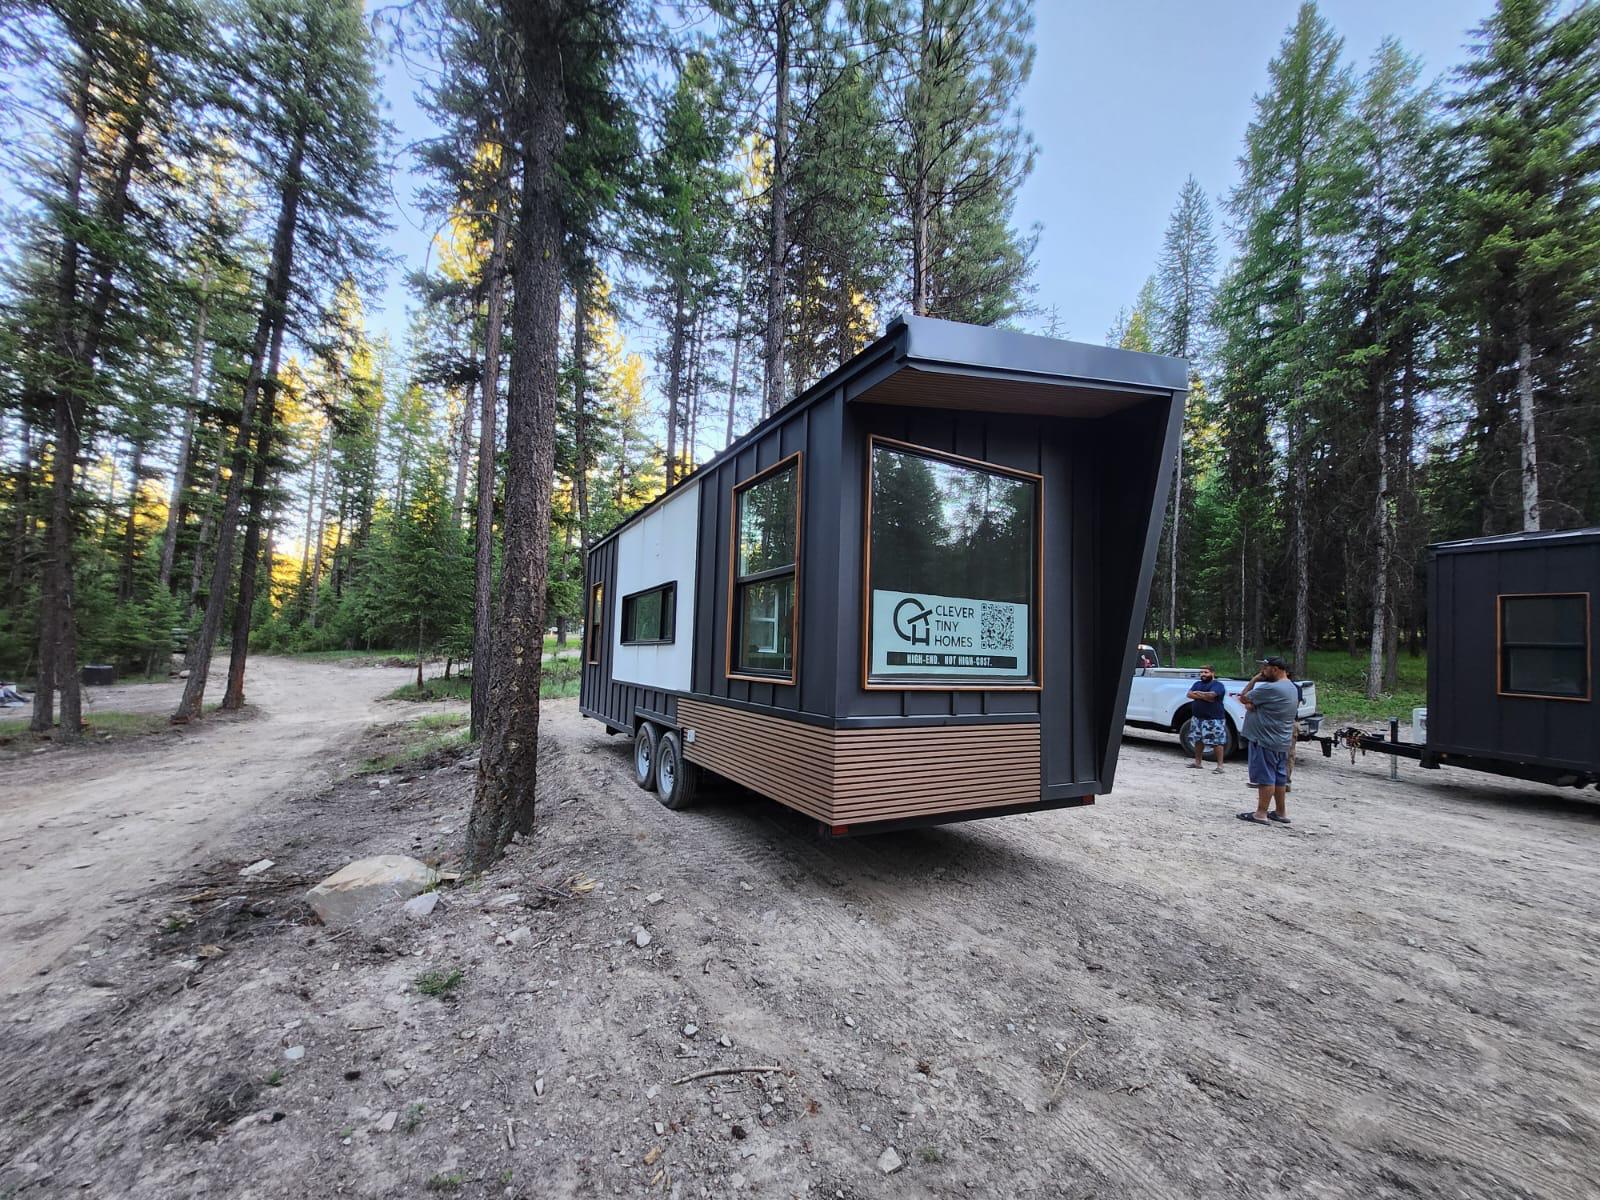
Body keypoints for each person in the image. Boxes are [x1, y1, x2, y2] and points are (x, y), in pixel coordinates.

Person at [1235, 656, 1299, 826]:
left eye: (1265, 668)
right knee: (1279, 777)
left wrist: (1254, 679)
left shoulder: (1271, 688)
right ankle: (1280, 812)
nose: (1262, 672)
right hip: (1281, 740)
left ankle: (1261, 813)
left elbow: (1243, 697)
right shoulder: (1290, 687)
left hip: (1265, 739)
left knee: (1266, 778)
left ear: (1275, 669)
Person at [1185, 665, 1227, 773]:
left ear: (1212, 673)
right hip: (1197, 718)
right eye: (1202, 672)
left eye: (1206, 672)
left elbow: (1212, 696)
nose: (1203, 674)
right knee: (1198, 740)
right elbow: (1189, 694)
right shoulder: (1197, 684)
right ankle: (1197, 763)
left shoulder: (1218, 685)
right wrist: (1205, 696)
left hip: (1214, 719)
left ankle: (1220, 766)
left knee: (1217, 742)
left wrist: (1198, 694)